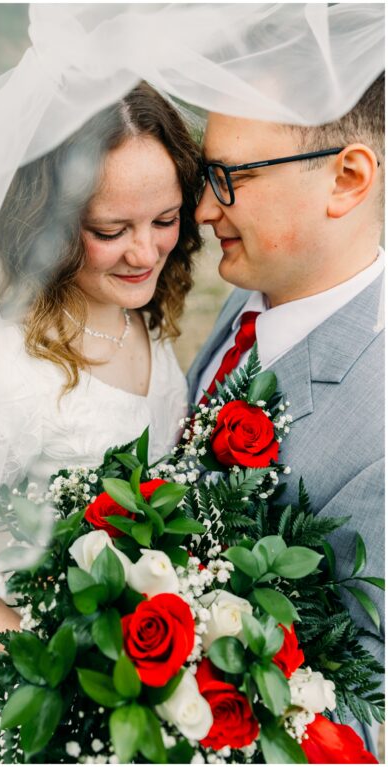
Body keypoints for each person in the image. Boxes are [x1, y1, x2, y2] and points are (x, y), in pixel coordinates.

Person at [0, 82, 201, 761]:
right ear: (48, 227)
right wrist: (56, 659)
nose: (145, 253)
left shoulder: (142, 317)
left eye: (165, 219)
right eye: (112, 231)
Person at [188, 73, 385, 752]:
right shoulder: (256, 289)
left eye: (229, 176)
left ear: (347, 178)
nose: (205, 211)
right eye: (202, 172)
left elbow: (359, 695)